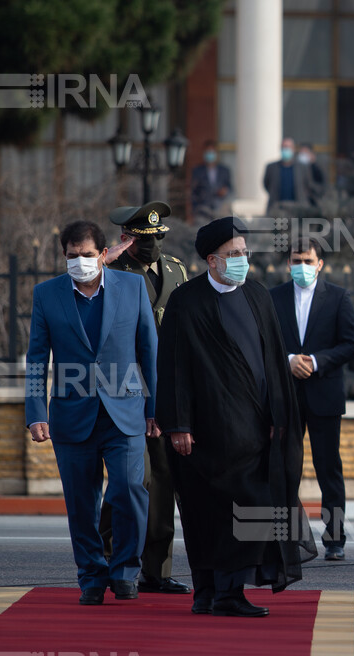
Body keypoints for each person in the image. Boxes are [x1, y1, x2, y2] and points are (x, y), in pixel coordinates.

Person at [156, 216, 316, 617]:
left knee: (249, 505)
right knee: (202, 512)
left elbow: (273, 363)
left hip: (253, 430)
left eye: (245, 253)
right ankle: (209, 592)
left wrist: (281, 414)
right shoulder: (186, 301)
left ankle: (228, 591)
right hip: (202, 433)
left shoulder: (258, 296)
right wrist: (178, 424)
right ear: (212, 261)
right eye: (235, 255)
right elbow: (172, 365)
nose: (243, 260)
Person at [25, 220, 158, 606]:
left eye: (86, 255)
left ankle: (126, 571)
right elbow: (36, 359)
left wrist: (154, 408)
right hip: (71, 415)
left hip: (126, 412)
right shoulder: (47, 295)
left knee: (130, 491)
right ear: (63, 256)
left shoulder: (131, 288)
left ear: (103, 254)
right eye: (71, 256)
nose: (79, 262)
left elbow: (148, 350)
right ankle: (91, 577)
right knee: (82, 503)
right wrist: (35, 411)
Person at [98, 202, 191, 595]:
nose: (152, 246)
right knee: (130, 482)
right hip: (125, 391)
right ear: (127, 239)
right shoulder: (111, 273)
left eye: (157, 239)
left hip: (166, 387)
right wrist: (104, 260)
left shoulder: (177, 270)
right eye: (143, 239)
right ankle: (106, 559)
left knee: (165, 479)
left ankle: (156, 569)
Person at [270, 237, 354, 560]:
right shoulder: (274, 298)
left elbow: (352, 344)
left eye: (308, 261)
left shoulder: (337, 297)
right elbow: (264, 344)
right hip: (286, 398)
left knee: (329, 469)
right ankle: (287, 538)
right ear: (288, 264)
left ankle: (334, 539)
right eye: (296, 261)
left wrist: (317, 361)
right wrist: (290, 359)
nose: (302, 267)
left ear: (320, 264)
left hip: (324, 395)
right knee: (284, 468)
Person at [263, 137, 322, 214]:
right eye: (284, 147)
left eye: (288, 147)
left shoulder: (302, 168)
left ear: (293, 149)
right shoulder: (271, 167)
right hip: (277, 210)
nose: (286, 150)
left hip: (298, 211)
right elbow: (266, 184)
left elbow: (308, 185)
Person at [190, 141, 232, 219]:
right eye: (207, 152)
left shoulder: (225, 170)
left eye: (212, 152)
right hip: (202, 211)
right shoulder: (197, 171)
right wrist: (194, 211)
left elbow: (230, 188)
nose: (210, 154)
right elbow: (193, 192)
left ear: (216, 153)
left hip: (220, 210)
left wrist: (225, 191)